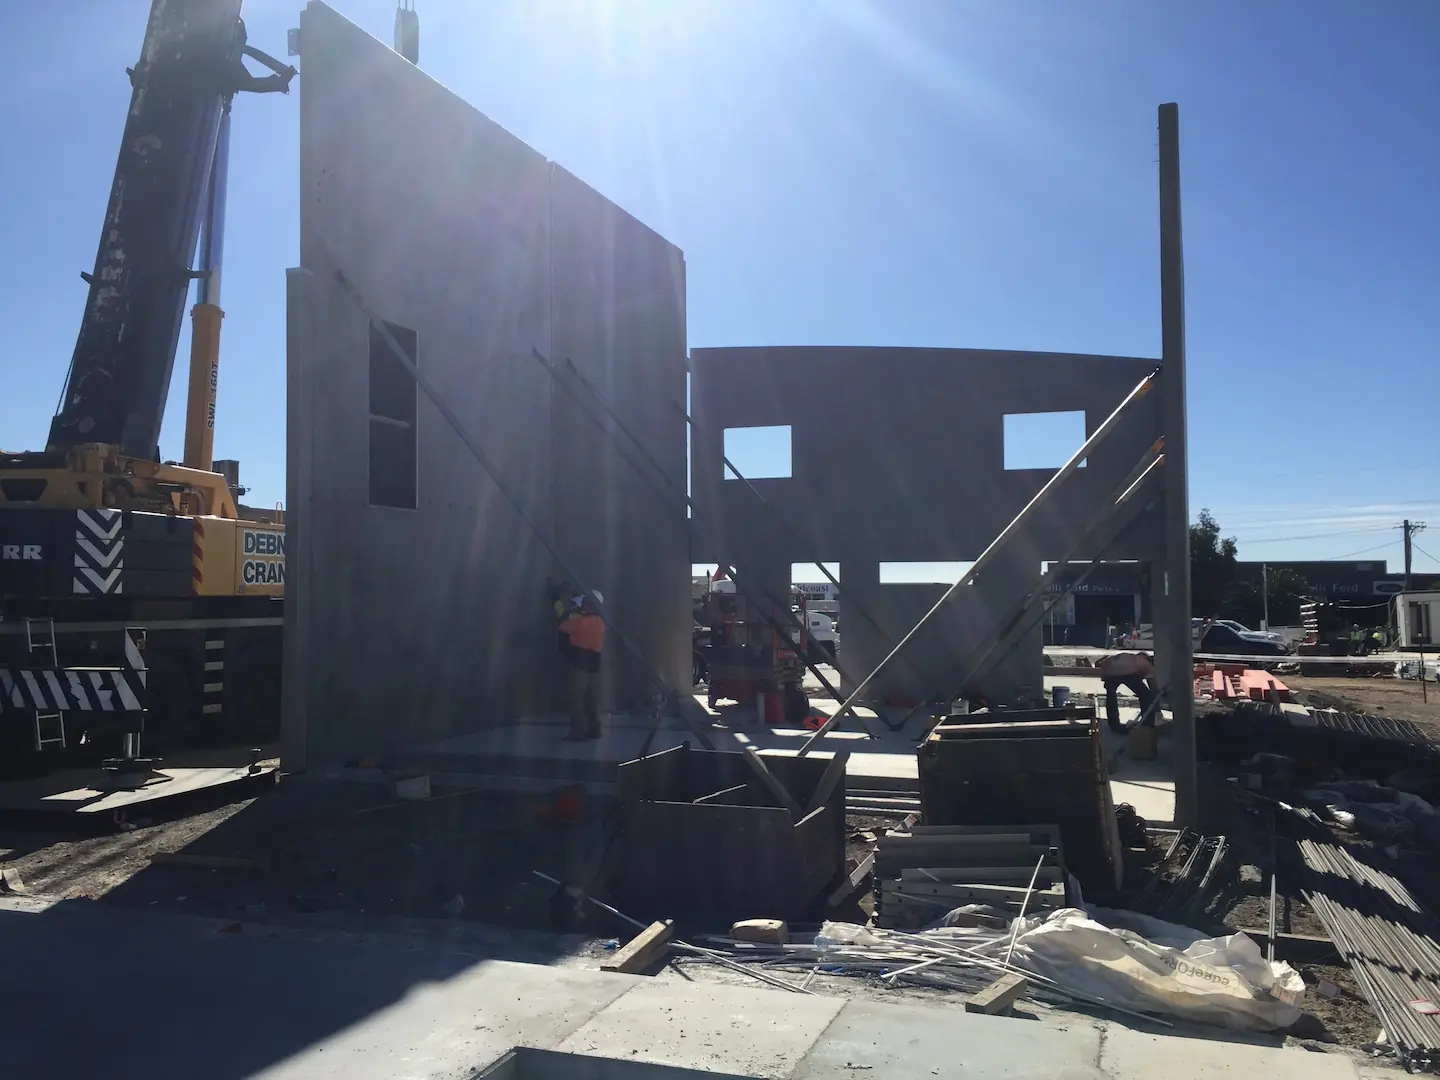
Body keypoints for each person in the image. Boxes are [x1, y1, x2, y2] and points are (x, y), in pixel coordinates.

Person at [559, 591, 606, 740]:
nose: (583, 603)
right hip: (594, 665)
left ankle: (577, 731)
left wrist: (571, 610)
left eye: (586, 601)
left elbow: (562, 626)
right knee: (591, 699)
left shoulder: (581, 621)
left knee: (575, 698)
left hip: (580, 664)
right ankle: (595, 728)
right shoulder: (600, 622)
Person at [1097, 651, 1157, 733]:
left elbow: (1103, 669)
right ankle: (1147, 725)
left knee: (1111, 696)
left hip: (1109, 669)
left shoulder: (1129, 657)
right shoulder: (1145, 662)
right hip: (1128, 672)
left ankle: (1114, 725)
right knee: (1146, 696)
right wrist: (1155, 695)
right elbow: (1152, 684)